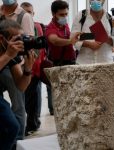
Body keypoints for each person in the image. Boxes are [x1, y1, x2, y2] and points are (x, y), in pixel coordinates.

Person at [0, 0, 35, 140]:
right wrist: (8, 55)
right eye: (16, 39)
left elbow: (21, 86)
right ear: (2, 39)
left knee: (12, 126)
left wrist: (27, 69)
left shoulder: (11, 52)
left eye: (22, 38)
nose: (20, 43)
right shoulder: (9, 51)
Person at [21, 2, 46, 136]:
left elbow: (37, 49)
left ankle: (33, 124)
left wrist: (28, 64)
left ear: (33, 14)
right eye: (25, 12)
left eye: (30, 12)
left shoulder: (36, 26)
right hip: (21, 69)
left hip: (33, 68)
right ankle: (32, 123)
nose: (28, 15)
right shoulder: (18, 28)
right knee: (27, 98)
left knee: (33, 99)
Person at [71, 0, 114, 64]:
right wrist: (89, 44)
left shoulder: (110, 19)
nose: (95, 1)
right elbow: (73, 38)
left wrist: (105, 38)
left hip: (105, 63)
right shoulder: (81, 16)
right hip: (84, 63)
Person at [46, 0, 80, 66]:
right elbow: (55, 41)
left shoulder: (64, 24)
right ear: (53, 14)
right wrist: (70, 41)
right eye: (61, 14)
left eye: (66, 14)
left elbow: (69, 36)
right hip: (60, 64)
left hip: (72, 61)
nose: (64, 17)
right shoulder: (50, 28)